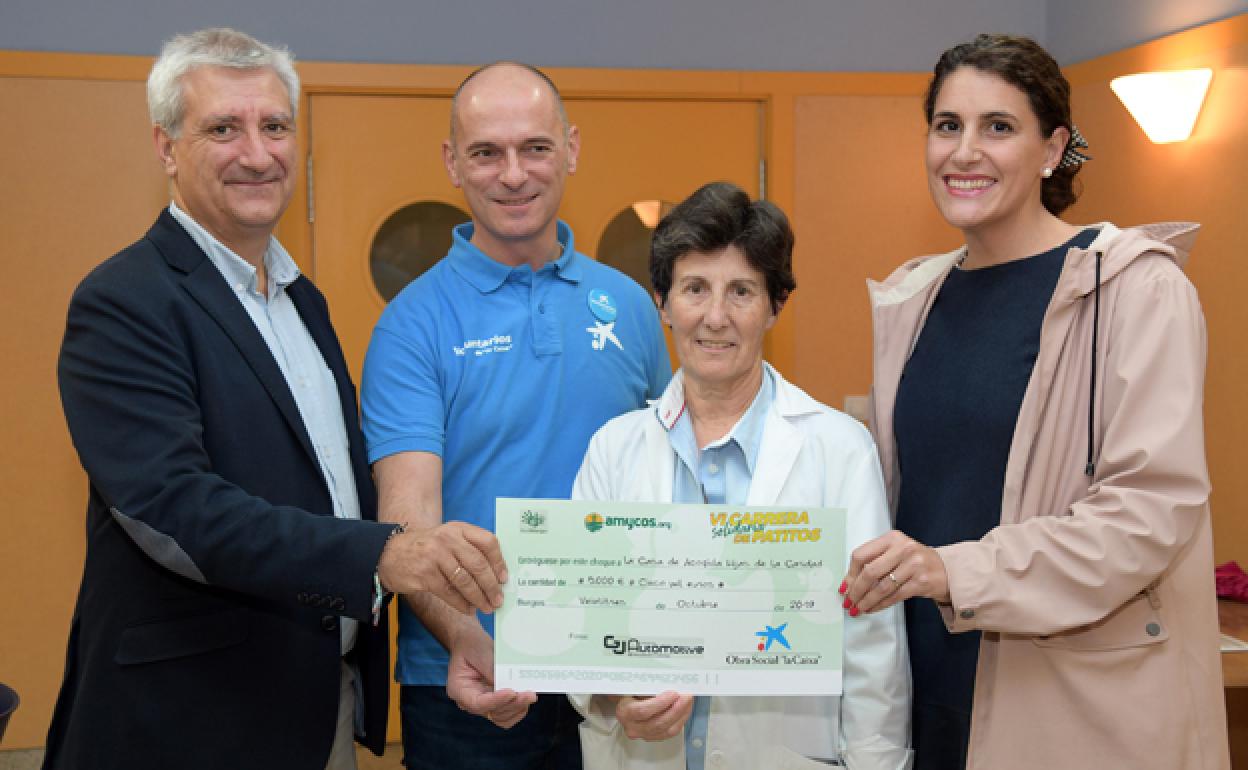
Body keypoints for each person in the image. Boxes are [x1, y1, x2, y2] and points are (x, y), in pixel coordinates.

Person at [45, 28, 507, 770]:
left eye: (276, 126)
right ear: (165, 147)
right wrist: (384, 554)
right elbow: (174, 509)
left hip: (316, 706)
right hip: (192, 723)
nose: (257, 154)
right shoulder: (124, 301)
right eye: (222, 128)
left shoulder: (301, 302)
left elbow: (333, 487)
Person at [841, 33, 1230, 770]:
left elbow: (1147, 512)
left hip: (1063, 704)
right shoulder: (914, 297)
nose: (964, 152)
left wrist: (954, 570)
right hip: (922, 692)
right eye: (947, 125)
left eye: (998, 127)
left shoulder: (1138, 290)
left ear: (1053, 149)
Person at [360, 62, 671, 769]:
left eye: (534, 147)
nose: (513, 174)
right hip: (472, 680)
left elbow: (669, 482)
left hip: (616, 667)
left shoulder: (629, 307)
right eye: (485, 152)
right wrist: (472, 641)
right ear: (452, 164)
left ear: (572, 148)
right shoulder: (412, 326)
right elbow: (409, 527)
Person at [569, 181, 912, 770]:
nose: (716, 317)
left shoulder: (838, 449)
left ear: (776, 305)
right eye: (695, 289)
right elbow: (580, 613)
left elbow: (872, 649)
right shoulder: (613, 449)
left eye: (742, 292)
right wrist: (612, 697)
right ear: (662, 301)